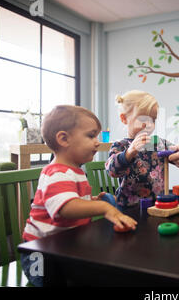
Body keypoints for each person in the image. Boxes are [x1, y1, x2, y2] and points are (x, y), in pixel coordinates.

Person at [21, 105, 137, 286]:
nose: (97, 142)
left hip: (63, 247)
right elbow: (65, 208)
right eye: (91, 136)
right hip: (40, 255)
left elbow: (73, 201)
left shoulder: (76, 172)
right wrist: (103, 207)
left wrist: (93, 201)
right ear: (64, 139)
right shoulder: (56, 173)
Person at [105, 90, 173, 207]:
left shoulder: (158, 143)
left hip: (158, 204)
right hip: (129, 206)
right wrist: (129, 153)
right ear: (124, 118)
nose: (149, 124)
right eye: (142, 119)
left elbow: (177, 152)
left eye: (153, 119)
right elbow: (112, 170)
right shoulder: (121, 145)